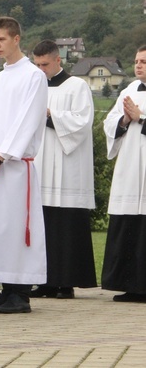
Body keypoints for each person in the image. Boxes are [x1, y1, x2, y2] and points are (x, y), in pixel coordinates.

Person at [0, 16, 48, 314]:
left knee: (18, 227)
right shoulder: (0, 77)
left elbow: (28, 120)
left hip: (15, 167)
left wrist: (2, 155)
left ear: (16, 38)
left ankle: (21, 294)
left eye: (2, 39)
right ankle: (5, 290)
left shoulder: (33, 76)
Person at [31, 40, 97, 299]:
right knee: (43, 223)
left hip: (67, 165)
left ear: (58, 60)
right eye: (37, 65)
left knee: (66, 225)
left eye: (44, 64)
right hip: (40, 161)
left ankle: (66, 282)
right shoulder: (34, 88)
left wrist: (50, 116)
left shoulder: (77, 86)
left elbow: (82, 122)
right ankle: (44, 282)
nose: (41, 69)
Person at [102, 45, 146, 302]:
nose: (138, 65)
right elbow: (110, 122)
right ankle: (130, 284)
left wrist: (141, 117)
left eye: (143, 61)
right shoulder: (129, 91)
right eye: (136, 60)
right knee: (129, 225)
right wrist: (125, 120)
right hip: (130, 167)